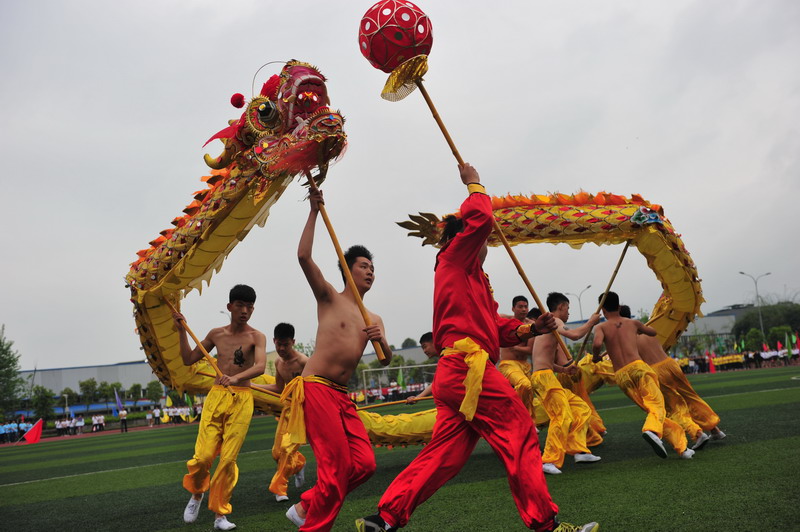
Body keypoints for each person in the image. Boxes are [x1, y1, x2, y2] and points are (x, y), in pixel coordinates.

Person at [357, 163, 597, 532]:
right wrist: (473, 182)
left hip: (458, 374)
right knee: (520, 429)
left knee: (445, 456)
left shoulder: (474, 278)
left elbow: (498, 328)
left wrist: (533, 326)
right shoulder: (452, 258)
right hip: (468, 368)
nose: (485, 243)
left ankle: (385, 516)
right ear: (462, 239)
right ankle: (546, 524)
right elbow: (482, 218)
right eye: (480, 240)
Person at [283, 188, 393, 532]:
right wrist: (314, 211)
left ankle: (307, 504)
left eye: (373, 268)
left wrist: (382, 341)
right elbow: (303, 257)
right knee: (333, 471)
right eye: (364, 266)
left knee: (364, 464)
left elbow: (386, 360)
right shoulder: (330, 296)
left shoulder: (373, 317)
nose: (371, 272)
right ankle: (312, 525)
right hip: (316, 388)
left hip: (342, 397)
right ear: (348, 269)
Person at [175, 284, 267, 531]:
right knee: (203, 456)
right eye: (240, 305)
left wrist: (236, 378)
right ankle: (196, 493)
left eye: (249, 307)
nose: (245, 311)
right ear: (230, 307)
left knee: (228, 459)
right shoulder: (216, 334)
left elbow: (260, 367)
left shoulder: (256, 336)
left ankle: (220, 514)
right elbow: (188, 359)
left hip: (242, 398)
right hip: (217, 397)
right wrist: (180, 331)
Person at [592, 292, 692, 459]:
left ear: (602, 309)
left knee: (652, 410)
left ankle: (682, 447)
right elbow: (652, 332)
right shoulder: (633, 323)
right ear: (618, 306)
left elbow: (596, 343)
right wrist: (640, 327)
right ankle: (651, 430)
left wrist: (596, 357)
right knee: (657, 406)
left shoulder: (601, 327)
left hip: (621, 375)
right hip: (638, 369)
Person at [620, 305, 726, 449]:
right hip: (671, 364)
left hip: (657, 371)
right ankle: (715, 429)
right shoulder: (646, 329)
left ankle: (698, 434)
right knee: (691, 397)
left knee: (674, 406)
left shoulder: (628, 338)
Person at [530, 292, 601, 475]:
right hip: (543, 377)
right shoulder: (554, 320)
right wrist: (591, 322)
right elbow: (575, 335)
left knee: (581, 408)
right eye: (568, 308)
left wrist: (563, 370)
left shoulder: (548, 326)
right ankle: (549, 460)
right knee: (562, 416)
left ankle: (578, 449)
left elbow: (543, 359)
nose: (568, 313)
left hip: (546, 375)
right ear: (560, 307)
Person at [257, 322, 310, 502]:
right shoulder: (278, 362)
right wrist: (252, 386)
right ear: (274, 341)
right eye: (278, 344)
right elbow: (279, 388)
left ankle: (279, 488)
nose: (281, 348)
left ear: (293, 342)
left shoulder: (304, 362)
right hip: (288, 409)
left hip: (304, 410)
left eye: (285, 344)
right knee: (277, 453)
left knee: (287, 449)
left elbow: (317, 386)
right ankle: (299, 462)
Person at [405, 332, 438, 404]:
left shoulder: (450, 356)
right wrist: (417, 398)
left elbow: (436, 383)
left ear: (434, 342)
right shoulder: (443, 360)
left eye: (425, 346)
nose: (424, 351)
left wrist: (417, 398)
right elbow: (436, 383)